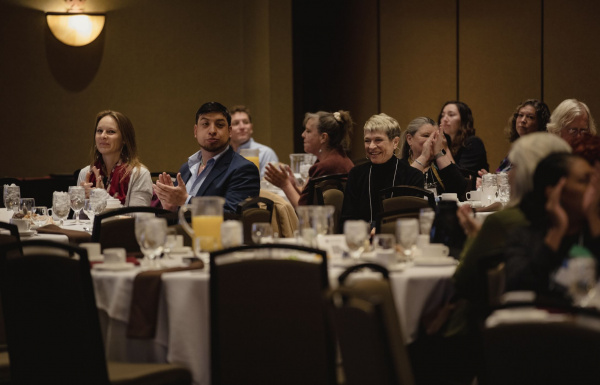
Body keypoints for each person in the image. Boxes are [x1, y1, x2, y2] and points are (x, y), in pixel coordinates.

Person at [505, 152, 600, 297]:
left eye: (595, 180)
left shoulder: (593, 231)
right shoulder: (524, 236)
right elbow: (520, 286)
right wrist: (557, 231)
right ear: (555, 191)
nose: (595, 188)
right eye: (584, 181)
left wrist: (593, 217)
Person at [153, 102, 260, 213]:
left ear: (229, 131)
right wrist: (170, 209)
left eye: (219, 125)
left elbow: (233, 215)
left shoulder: (243, 169)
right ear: (196, 131)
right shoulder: (186, 168)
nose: (212, 130)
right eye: (205, 124)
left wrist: (186, 200)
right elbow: (174, 220)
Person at [340, 113, 424, 229]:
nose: (371, 146)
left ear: (395, 142)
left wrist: (381, 231)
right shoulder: (356, 174)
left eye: (378, 140)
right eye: (367, 141)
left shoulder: (413, 176)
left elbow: (413, 223)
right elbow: (347, 220)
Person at [264, 110, 354, 208]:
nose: (303, 135)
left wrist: (285, 185)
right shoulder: (337, 159)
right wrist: (293, 185)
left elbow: (304, 211)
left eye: (308, 131)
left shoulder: (326, 166)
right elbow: (311, 199)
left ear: (323, 137)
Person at [78, 110, 153, 206]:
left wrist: (102, 197)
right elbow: (79, 218)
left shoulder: (139, 174)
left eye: (111, 132)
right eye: (99, 131)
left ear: (124, 139)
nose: (103, 136)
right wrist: (84, 200)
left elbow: (140, 218)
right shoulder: (85, 173)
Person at [400, 116, 467, 200]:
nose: (432, 140)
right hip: (412, 212)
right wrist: (424, 157)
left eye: (435, 137)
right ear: (409, 139)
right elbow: (402, 192)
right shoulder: (400, 166)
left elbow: (460, 189)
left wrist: (439, 153)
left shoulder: (440, 164)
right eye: (426, 135)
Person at [496, 99, 551, 173]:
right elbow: (500, 174)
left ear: (540, 124)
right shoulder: (516, 148)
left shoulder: (540, 152)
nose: (523, 120)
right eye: (520, 115)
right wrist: (489, 178)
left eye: (530, 117)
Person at [437, 101, 489, 173]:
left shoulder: (473, 143)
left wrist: (445, 148)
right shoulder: (447, 143)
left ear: (463, 120)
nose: (444, 119)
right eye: (442, 115)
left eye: (451, 115)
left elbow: (460, 179)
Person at [229, 105, 279, 177]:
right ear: (229, 130)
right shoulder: (223, 154)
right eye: (236, 123)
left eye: (246, 122)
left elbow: (269, 186)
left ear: (251, 128)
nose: (242, 127)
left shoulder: (266, 153)